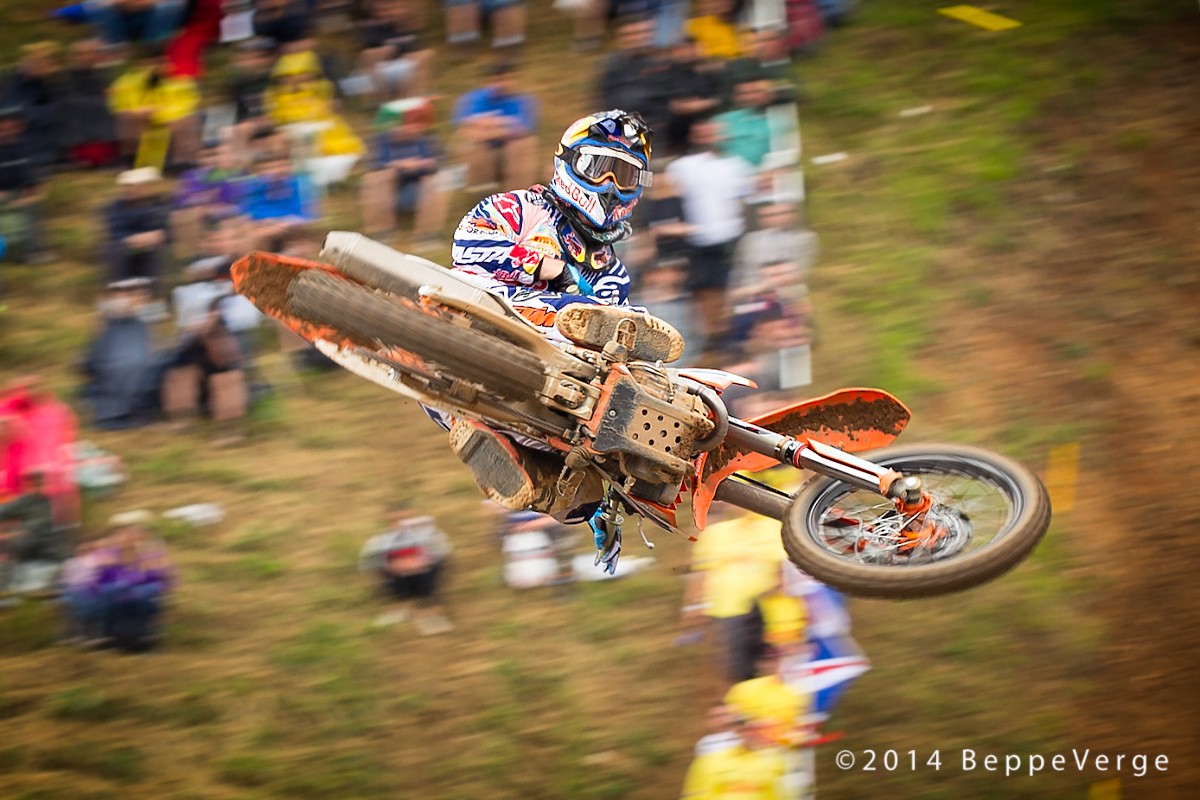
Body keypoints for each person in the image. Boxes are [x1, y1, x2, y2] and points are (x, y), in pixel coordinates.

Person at [443, 109, 683, 518]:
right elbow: (468, 245)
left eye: (623, 176)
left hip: (546, 368)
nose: (610, 185)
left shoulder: (611, 270)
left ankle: (538, 471)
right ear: (568, 163)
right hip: (481, 307)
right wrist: (547, 269)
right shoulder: (520, 206)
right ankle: (594, 325)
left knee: (581, 502)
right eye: (599, 167)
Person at [666, 118, 752, 349]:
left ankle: (727, 336)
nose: (707, 137)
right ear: (694, 137)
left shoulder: (736, 166)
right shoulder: (683, 166)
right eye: (702, 133)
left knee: (727, 288)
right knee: (702, 290)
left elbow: (744, 201)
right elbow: (671, 194)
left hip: (729, 236)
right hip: (698, 239)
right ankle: (710, 338)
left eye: (711, 133)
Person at [360, 99, 446, 248]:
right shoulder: (381, 141)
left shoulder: (426, 140)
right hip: (386, 192)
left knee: (437, 179)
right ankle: (381, 233)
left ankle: (426, 235)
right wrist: (399, 166)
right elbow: (372, 166)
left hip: (417, 189)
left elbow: (437, 162)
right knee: (378, 177)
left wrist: (421, 165)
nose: (411, 128)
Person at [360, 503, 454, 635]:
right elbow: (367, 564)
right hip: (397, 581)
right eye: (396, 520)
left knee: (438, 565)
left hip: (424, 578)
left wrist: (423, 562)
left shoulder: (429, 536)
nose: (401, 524)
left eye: (406, 519)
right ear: (388, 522)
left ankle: (428, 608)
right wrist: (392, 564)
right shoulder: (379, 541)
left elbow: (443, 553)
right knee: (380, 565)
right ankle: (398, 606)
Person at [451, 59, 538, 190]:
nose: (503, 84)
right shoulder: (474, 99)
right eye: (499, 80)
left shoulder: (524, 100)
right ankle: (482, 194)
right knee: (475, 145)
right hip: (483, 149)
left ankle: (517, 197)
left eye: (509, 79)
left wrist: (488, 124)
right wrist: (505, 124)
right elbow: (466, 130)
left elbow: (524, 129)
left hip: (510, 150)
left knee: (522, 145)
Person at [54, 39, 120, 168]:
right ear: (72, 57)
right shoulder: (64, 76)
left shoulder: (102, 74)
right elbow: (66, 100)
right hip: (79, 122)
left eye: (90, 53)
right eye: (81, 54)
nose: (86, 57)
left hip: (99, 118)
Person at [105, 167, 172, 285]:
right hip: (127, 244)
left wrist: (155, 237)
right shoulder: (118, 206)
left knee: (154, 250)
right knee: (115, 248)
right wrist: (133, 239)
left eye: (142, 185)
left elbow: (165, 228)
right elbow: (115, 231)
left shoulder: (158, 204)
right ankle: (121, 286)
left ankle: (149, 288)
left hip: (152, 245)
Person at [0, 106, 49, 264]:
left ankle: (33, 252)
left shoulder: (26, 147)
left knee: (33, 208)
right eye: (4, 124)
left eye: (12, 123)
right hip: (4, 194)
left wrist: (29, 194)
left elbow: (31, 180)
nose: (8, 127)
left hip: (19, 194)